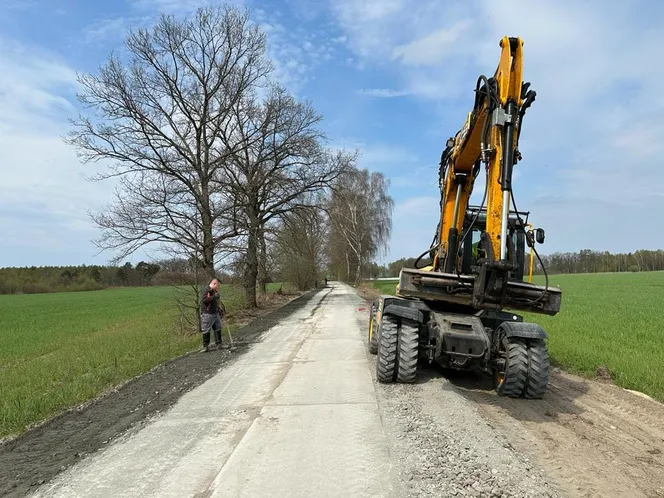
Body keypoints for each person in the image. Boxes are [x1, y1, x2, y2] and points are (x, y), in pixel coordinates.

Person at [199, 277, 224, 352]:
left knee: (218, 328)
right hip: (208, 314)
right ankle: (205, 347)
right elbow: (204, 300)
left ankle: (219, 344)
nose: (218, 287)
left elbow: (214, 302)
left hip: (215, 313)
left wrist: (218, 308)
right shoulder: (206, 290)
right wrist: (214, 297)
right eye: (217, 285)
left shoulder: (213, 291)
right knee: (206, 329)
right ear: (214, 283)